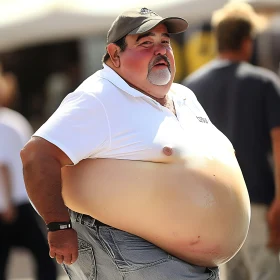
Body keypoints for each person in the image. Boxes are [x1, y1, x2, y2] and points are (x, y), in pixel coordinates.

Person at [20, 7, 251, 280]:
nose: (161, 50)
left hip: (186, 263)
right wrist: (58, 227)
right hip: (132, 253)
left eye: (165, 42)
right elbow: (37, 155)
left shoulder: (184, 95)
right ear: (115, 54)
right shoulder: (98, 98)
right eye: (146, 43)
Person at [182, 2, 280, 280]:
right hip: (260, 201)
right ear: (248, 41)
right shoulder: (264, 82)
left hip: (214, 205)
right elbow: (279, 143)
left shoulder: (190, 87)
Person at [0, 66, 58, 280]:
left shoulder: (8, 122)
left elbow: (4, 166)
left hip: (11, 203)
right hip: (16, 203)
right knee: (44, 258)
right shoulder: (11, 120)